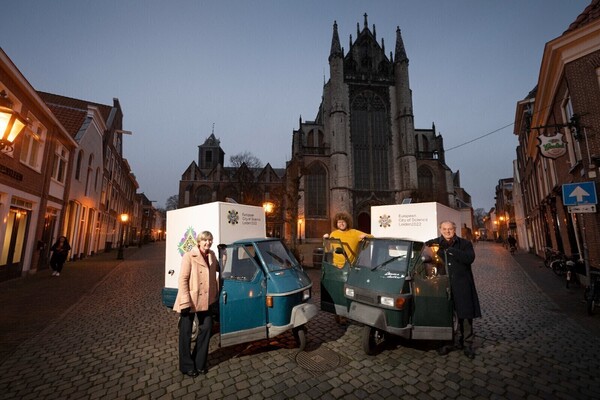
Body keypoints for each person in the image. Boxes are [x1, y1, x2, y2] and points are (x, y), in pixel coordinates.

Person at [426, 220, 481, 359]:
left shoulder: (465, 244)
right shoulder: (434, 244)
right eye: (444, 229)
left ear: (454, 229)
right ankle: (448, 343)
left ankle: (467, 344)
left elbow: (469, 258)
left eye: (450, 228)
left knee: (466, 315)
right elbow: (424, 251)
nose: (447, 231)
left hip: (462, 285)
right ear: (440, 229)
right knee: (447, 315)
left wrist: (450, 250)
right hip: (444, 286)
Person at [173, 231, 220, 377]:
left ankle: (199, 363)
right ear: (199, 241)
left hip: (206, 300)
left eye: (210, 240)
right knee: (186, 334)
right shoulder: (189, 256)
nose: (208, 243)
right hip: (191, 300)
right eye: (205, 240)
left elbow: (220, 268)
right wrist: (185, 301)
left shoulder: (212, 255)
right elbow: (183, 279)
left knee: (206, 328)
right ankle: (186, 366)